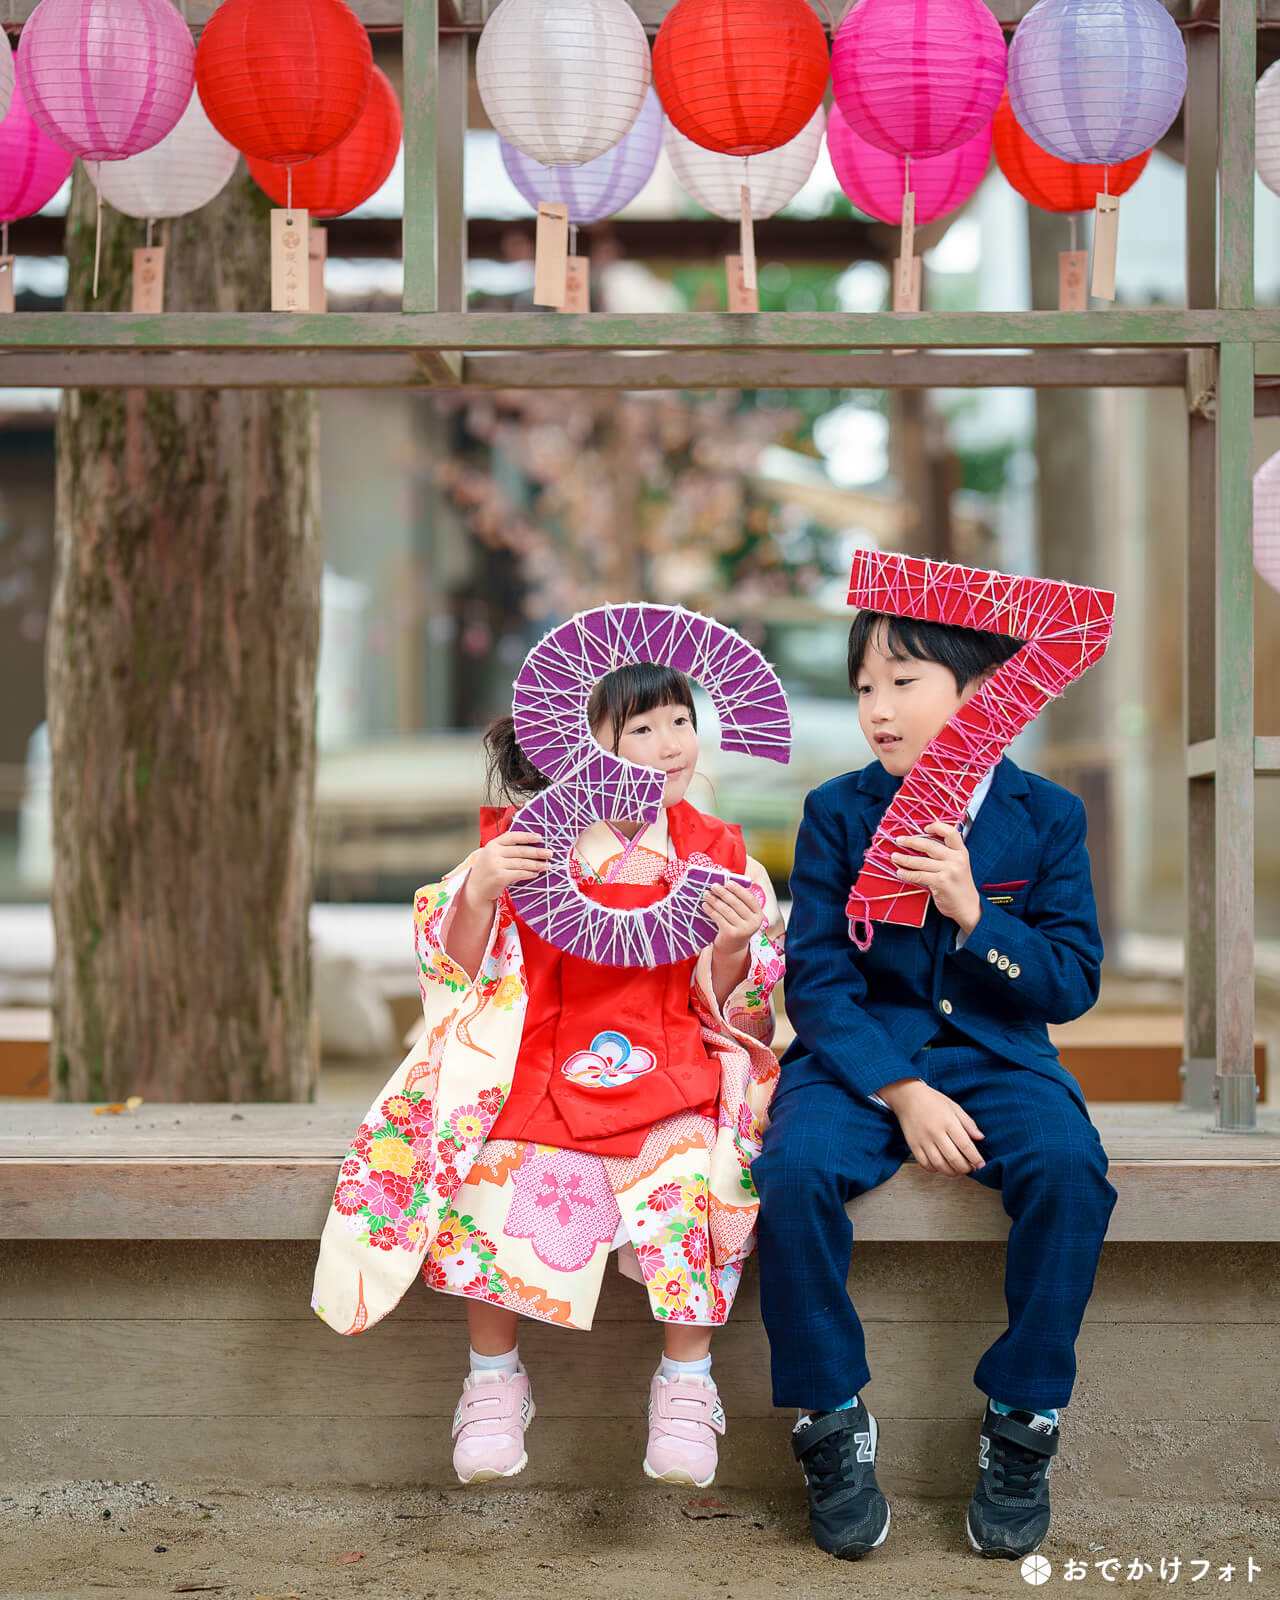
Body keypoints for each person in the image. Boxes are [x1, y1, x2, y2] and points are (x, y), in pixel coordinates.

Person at [312, 662, 784, 1491]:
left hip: (672, 1056)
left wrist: (740, 943)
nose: (669, 744)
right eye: (640, 729)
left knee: (698, 1178)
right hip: (539, 1054)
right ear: (584, 748)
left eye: (680, 720)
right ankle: (493, 1381)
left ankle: (686, 1381)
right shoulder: (524, 842)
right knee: (488, 1176)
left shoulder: (718, 850)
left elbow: (739, 999)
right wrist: (480, 896)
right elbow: (457, 974)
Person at [753, 609, 1117, 1562]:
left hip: (1001, 1057)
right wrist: (901, 1091)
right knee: (791, 1174)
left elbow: (1072, 982)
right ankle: (830, 1417)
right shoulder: (839, 809)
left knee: (1070, 1169)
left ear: (980, 694)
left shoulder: (1046, 815)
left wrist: (970, 915)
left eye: (903, 682)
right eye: (865, 686)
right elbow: (820, 985)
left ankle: (1024, 1413)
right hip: (860, 1059)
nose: (878, 708)